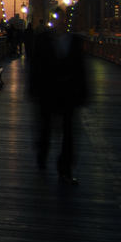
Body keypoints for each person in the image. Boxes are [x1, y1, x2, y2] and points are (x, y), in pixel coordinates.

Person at [28, 24, 87, 184]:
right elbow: (35, 67)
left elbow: (81, 69)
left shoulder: (75, 40)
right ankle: (42, 155)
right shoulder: (42, 40)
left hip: (69, 95)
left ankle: (65, 169)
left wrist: (83, 93)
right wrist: (33, 89)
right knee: (45, 128)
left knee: (69, 133)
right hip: (47, 93)